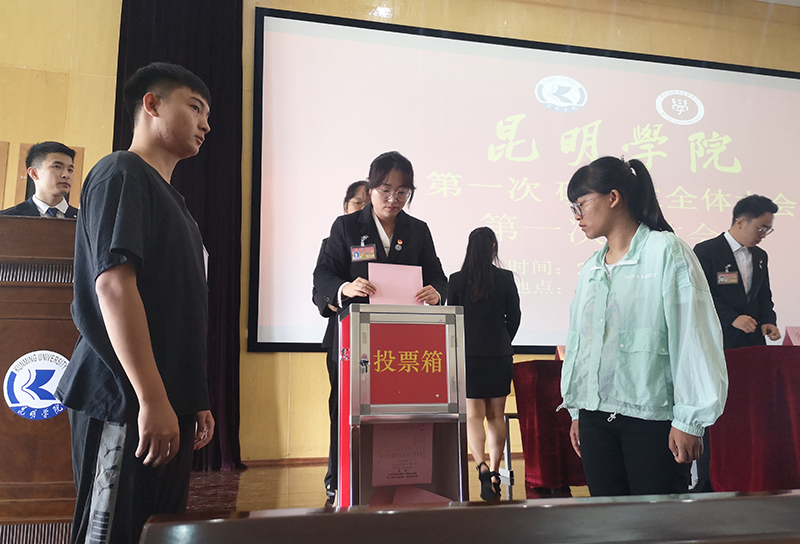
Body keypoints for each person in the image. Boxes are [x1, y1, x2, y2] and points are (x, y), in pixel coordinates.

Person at [55, 62, 215, 544]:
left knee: (154, 530)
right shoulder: (122, 172)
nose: (206, 124)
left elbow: (179, 310)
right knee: (114, 532)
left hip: (163, 400)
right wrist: (151, 397)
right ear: (152, 104)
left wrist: (193, 399)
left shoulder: (175, 202)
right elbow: (114, 287)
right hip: (124, 397)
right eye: (195, 108)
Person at [560, 156, 728, 497]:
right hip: (595, 418)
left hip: (651, 420)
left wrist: (689, 420)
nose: (577, 216)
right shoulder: (591, 268)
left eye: (581, 204)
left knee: (656, 520)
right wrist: (578, 411)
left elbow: (693, 337)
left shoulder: (666, 251)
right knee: (606, 519)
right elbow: (581, 343)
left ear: (613, 197)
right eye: (573, 208)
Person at [691, 194, 780, 492]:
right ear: (741, 221)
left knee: (748, 415)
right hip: (719, 345)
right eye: (761, 228)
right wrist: (732, 319)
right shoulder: (706, 251)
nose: (764, 234)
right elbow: (700, 297)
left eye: (768, 229)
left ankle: (746, 476)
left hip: (752, 348)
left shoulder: (760, 256)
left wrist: (768, 321)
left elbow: (763, 296)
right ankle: (707, 481)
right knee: (716, 417)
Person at [447, 226, 520, 501]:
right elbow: (514, 316)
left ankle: (481, 466)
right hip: (499, 354)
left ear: (470, 249)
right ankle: (497, 471)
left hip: (468, 356)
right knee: (496, 415)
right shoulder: (505, 278)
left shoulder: (456, 280)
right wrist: (503, 340)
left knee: (474, 415)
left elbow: (451, 320)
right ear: (493, 248)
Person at [311, 180, 368, 506]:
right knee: (342, 411)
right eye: (358, 203)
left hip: (382, 342)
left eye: (367, 204)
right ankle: (336, 478)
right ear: (346, 206)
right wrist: (338, 296)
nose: (363, 209)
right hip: (343, 341)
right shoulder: (334, 241)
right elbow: (319, 291)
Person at [1, 141, 78, 218]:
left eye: (70, 170)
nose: (66, 175)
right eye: (57, 167)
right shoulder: (5, 218)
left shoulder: (82, 218)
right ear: (34, 173)